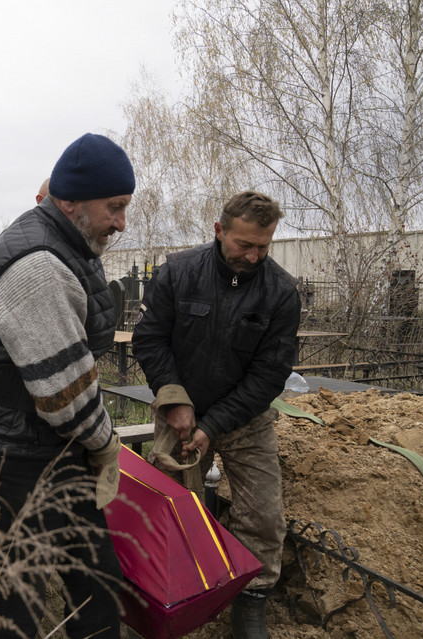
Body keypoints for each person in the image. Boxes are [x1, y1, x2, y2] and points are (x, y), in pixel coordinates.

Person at [0, 133, 135, 638]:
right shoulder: (36, 268)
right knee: (17, 601)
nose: (122, 222)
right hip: (13, 453)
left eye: (125, 207)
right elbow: (66, 394)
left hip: (49, 445)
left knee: (96, 586)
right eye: (115, 207)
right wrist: (105, 446)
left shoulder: (66, 240)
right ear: (71, 200)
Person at [131, 191, 301, 639]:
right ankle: (158, 595)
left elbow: (270, 375)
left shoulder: (280, 292)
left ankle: (251, 602)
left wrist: (212, 425)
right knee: (166, 503)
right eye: (244, 244)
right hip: (178, 410)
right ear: (219, 231)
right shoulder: (179, 273)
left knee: (263, 514)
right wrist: (175, 401)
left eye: (263, 246)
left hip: (245, 418)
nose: (253, 255)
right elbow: (149, 340)